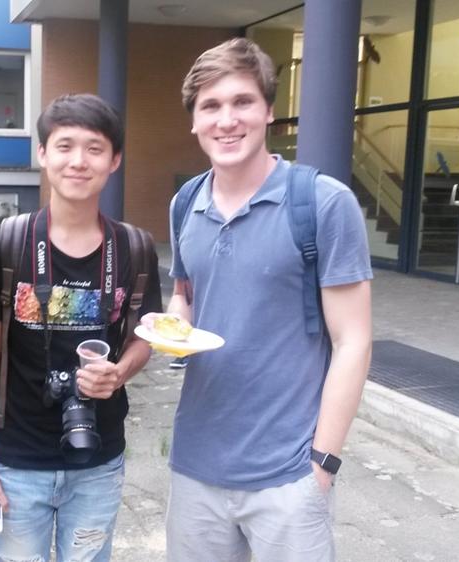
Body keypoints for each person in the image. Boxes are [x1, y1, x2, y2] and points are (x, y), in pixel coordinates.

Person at [152, 38, 373, 561]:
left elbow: (354, 340)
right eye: (211, 106)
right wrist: (172, 326)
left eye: (242, 101)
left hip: (289, 472)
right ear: (194, 121)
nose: (227, 120)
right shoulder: (185, 203)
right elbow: (185, 296)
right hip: (196, 465)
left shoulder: (322, 202)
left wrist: (322, 462)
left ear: (269, 110)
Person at [0, 93, 163, 562]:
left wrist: (120, 373)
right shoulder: (6, 243)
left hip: (98, 460)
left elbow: (143, 337)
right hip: (15, 461)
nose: (78, 161)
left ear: (114, 160)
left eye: (94, 148)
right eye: (65, 146)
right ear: (43, 154)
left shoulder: (135, 248)